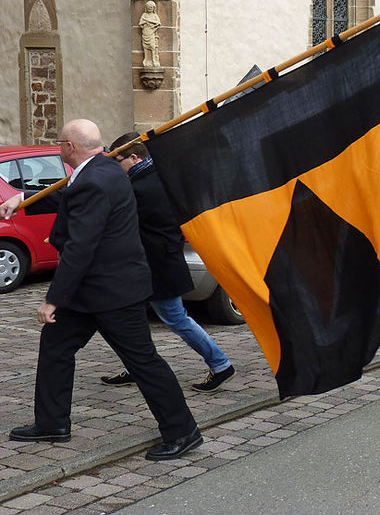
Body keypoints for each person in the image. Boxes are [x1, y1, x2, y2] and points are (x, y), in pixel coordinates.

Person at [0, 120, 201, 460]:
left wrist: (52, 299)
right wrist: (23, 199)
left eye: (60, 143)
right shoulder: (106, 168)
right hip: (91, 292)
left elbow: (80, 247)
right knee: (56, 346)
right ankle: (52, 423)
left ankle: (183, 431)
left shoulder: (95, 179)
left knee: (143, 362)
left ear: (69, 147)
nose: (60, 148)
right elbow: (67, 195)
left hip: (113, 292)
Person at [100, 132, 235, 392]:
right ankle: (136, 367)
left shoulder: (140, 187)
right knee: (132, 317)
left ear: (134, 157)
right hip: (152, 264)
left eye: (118, 161)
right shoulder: (157, 176)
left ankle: (220, 364)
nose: (117, 167)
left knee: (175, 318)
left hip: (157, 266)